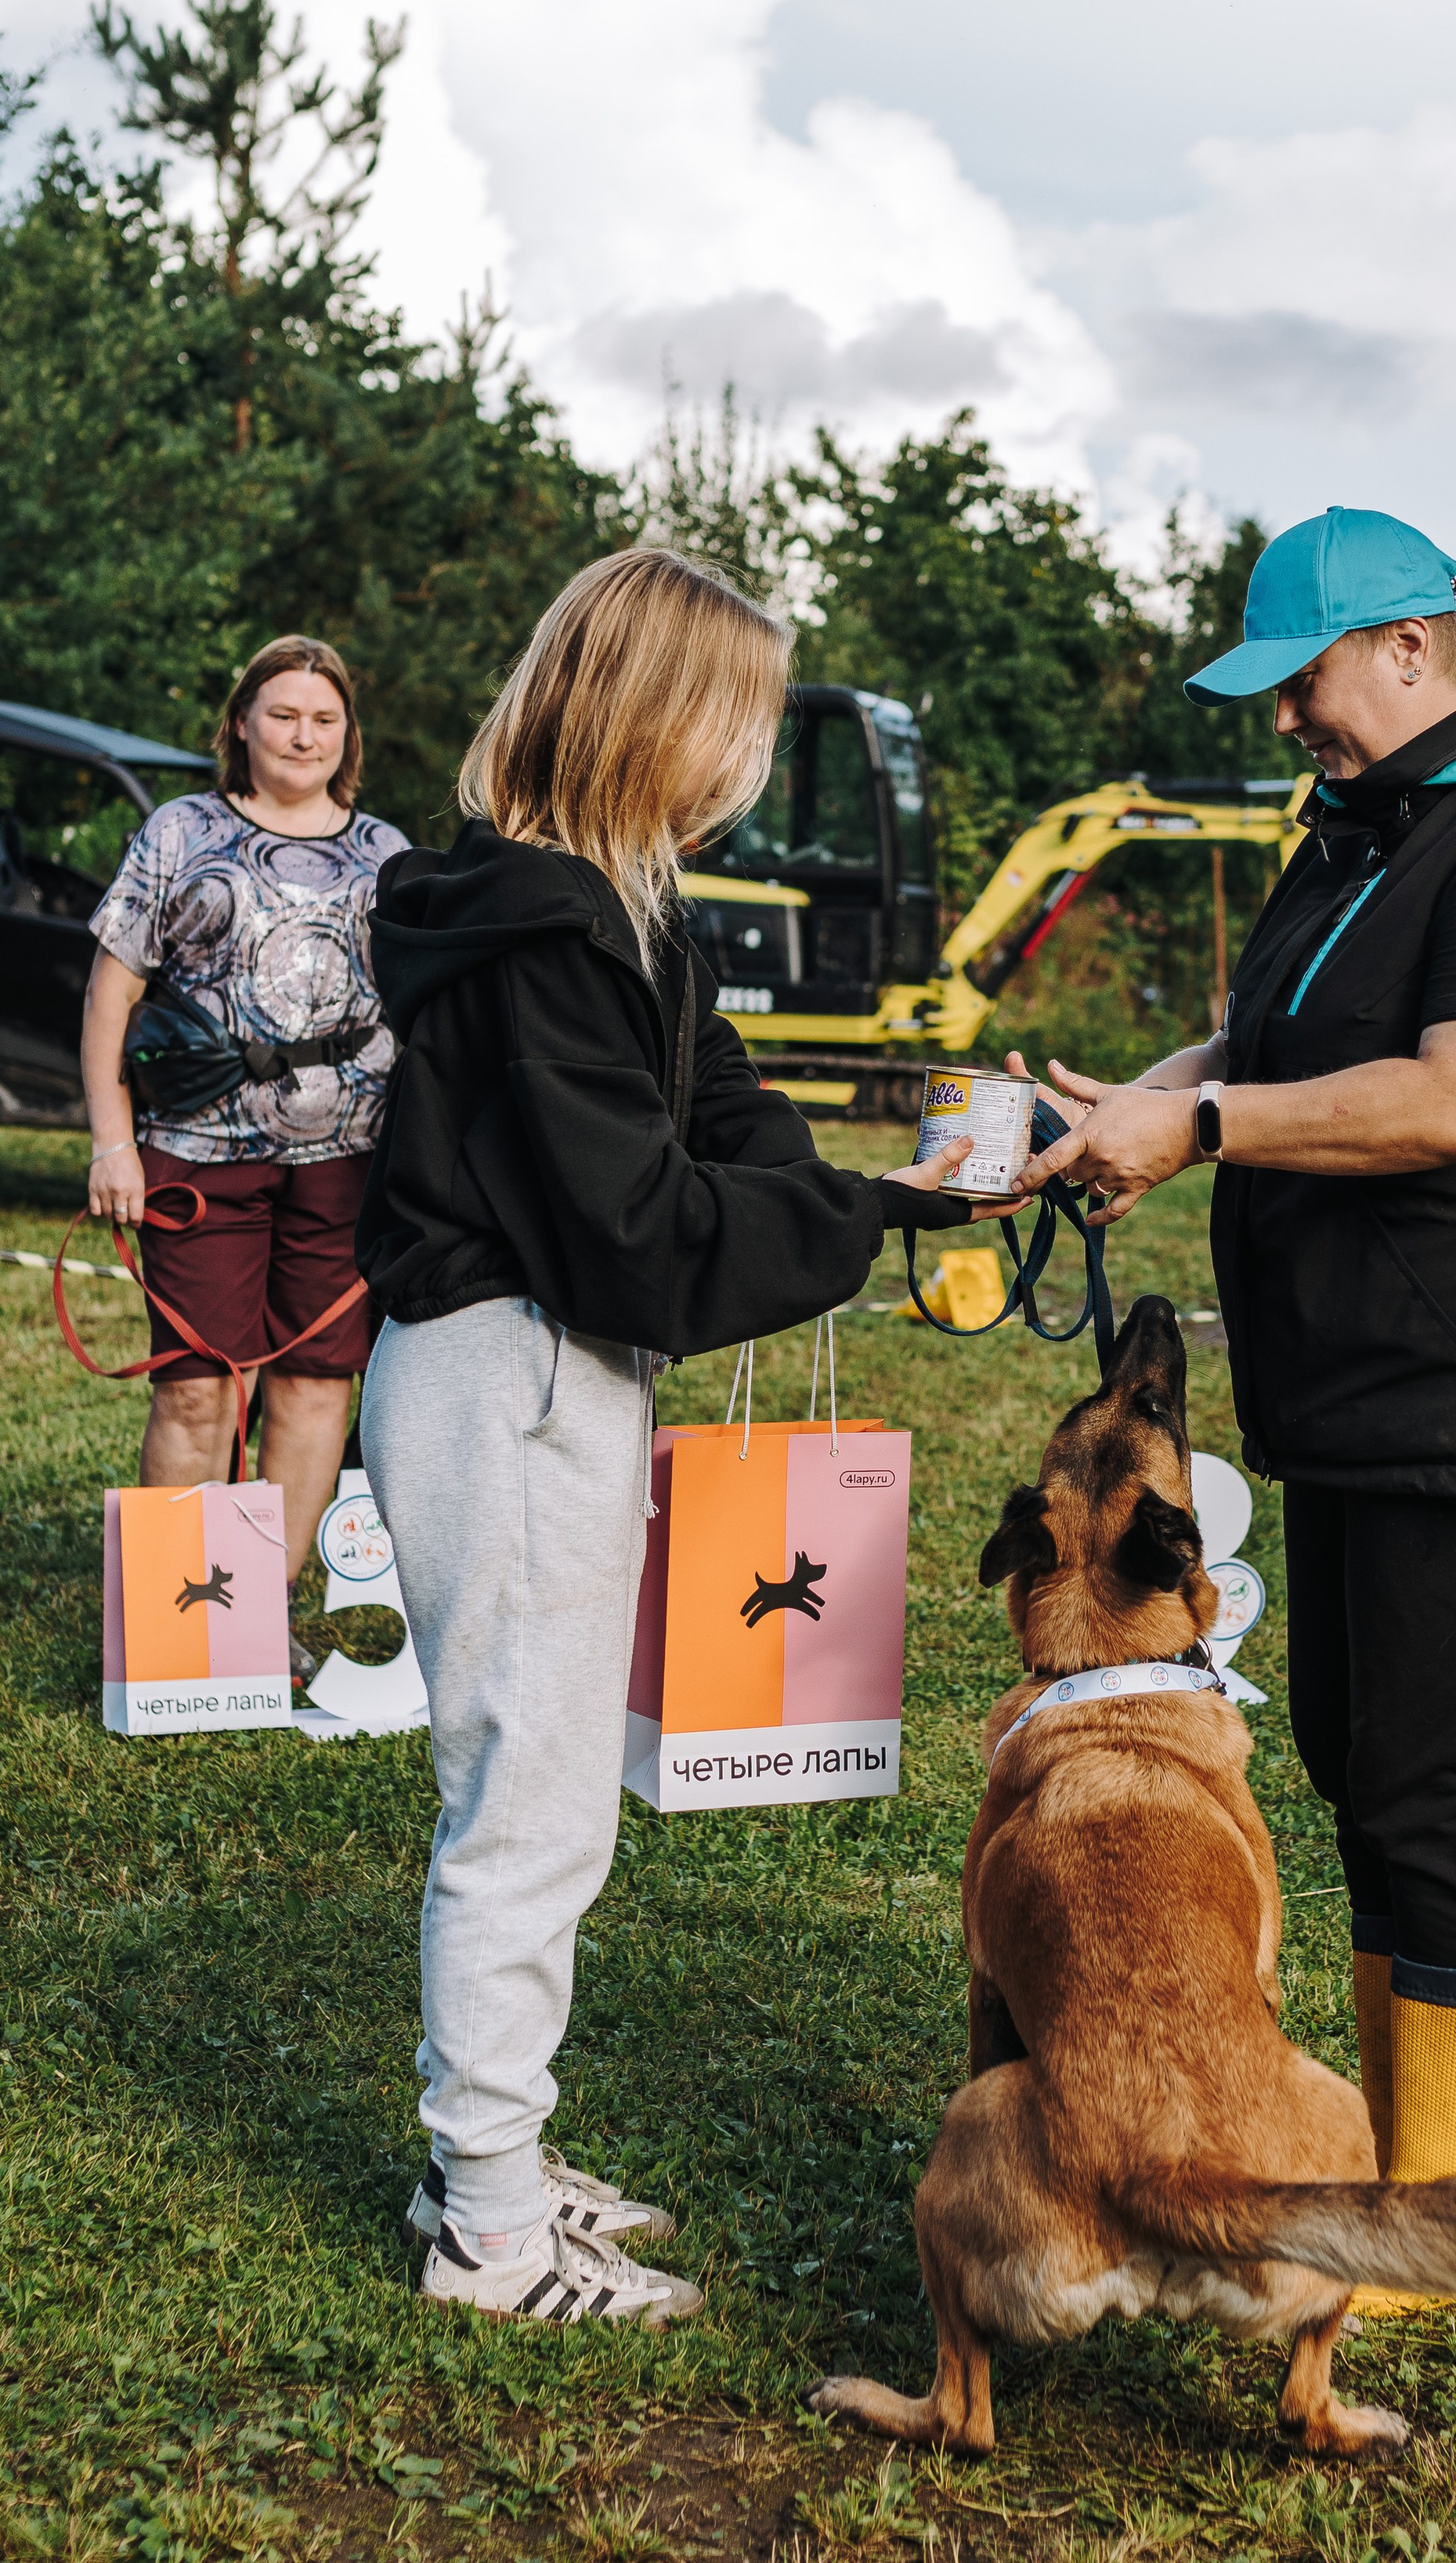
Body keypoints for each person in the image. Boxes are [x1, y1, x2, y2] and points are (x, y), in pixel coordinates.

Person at [354, 545, 991, 2333]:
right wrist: (849, 1226)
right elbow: (630, 1220)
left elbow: (720, 1112)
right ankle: (484, 2220)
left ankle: (483, 2151)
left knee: (535, 1792)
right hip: (512, 1371)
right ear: (665, 720)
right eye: (741, 721)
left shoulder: (605, 906)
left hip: (540, 1367)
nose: (749, 758)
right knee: (529, 1808)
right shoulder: (553, 929)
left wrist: (878, 1193)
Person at [1011, 504, 1456, 2252]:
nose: (1283, 716)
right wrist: (1138, 1106)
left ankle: (1450, 2238)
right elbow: (1279, 1038)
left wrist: (1201, 1122)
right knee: (1362, 1758)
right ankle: (1394, 2188)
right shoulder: (1369, 827)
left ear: (1411, 647)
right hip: (1360, 1383)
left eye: (1299, 681)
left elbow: (1452, 1093)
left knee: (1431, 1781)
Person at [81, 637, 406, 1608]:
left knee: (313, 1385)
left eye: (323, 717)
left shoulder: (386, 853)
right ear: (240, 724)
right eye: (281, 713)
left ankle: (255, 1608)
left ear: (346, 734)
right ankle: (177, 1614)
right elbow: (110, 997)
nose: (302, 734)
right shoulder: (182, 832)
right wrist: (111, 1140)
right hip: (197, 1152)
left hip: (346, 1161)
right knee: (198, 1385)